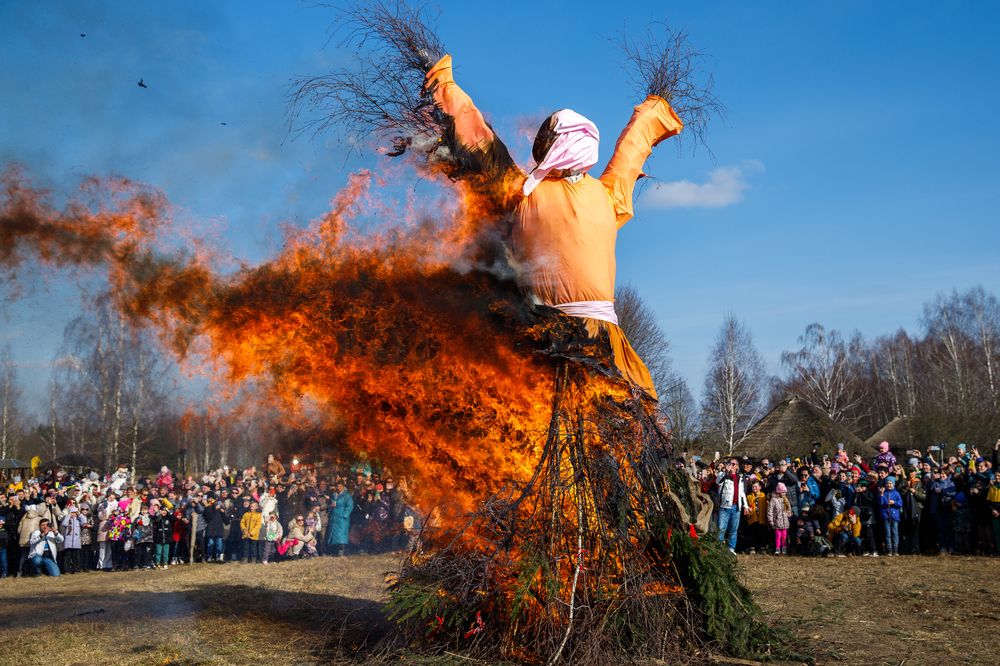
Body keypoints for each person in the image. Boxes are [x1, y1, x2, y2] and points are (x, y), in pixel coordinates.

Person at [422, 52, 683, 400]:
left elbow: (479, 138)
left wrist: (444, 83)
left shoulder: (523, 191)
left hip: (549, 339)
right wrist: (656, 109)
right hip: (585, 340)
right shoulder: (606, 195)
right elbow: (633, 146)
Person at [715, 458, 749, 554]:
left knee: (734, 529)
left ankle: (731, 548)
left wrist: (745, 506)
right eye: (729, 464)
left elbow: (742, 493)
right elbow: (718, 482)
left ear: (737, 466)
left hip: (736, 507)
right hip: (724, 506)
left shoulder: (740, 478)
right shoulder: (723, 475)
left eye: (733, 464)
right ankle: (719, 548)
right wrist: (726, 472)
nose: (731, 466)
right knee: (721, 528)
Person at [326, 480, 353, 556]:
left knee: (341, 534)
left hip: (342, 518)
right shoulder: (334, 495)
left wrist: (345, 515)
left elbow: (350, 506)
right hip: (334, 517)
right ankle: (334, 551)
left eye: (340, 486)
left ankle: (341, 551)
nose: (339, 488)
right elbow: (330, 504)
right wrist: (331, 506)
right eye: (337, 486)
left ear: (343, 487)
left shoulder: (347, 495)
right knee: (333, 534)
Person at [59, 506, 87, 573]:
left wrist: (79, 514)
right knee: (67, 557)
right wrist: (68, 516)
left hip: (76, 542)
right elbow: (64, 524)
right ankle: (67, 570)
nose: (73, 514)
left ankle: (76, 569)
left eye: (75, 512)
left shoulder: (78, 519)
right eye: (72, 512)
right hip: (68, 542)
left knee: (76, 557)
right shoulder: (67, 519)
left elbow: (84, 522)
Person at [767, 483, 792, 555]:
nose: (784, 493)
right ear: (779, 491)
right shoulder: (773, 500)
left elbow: (789, 509)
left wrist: (788, 514)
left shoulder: (786, 500)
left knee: (784, 536)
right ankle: (777, 549)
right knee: (778, 536)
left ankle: (784, 549)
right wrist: (771, 521)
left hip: (785, 522)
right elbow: (770, 511)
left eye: (785, 492)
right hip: (777, 522)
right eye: (783, 491)